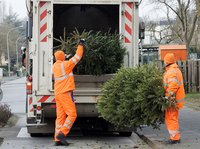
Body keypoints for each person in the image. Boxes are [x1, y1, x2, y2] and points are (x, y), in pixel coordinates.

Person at [53, 40, 84, 146]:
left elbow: (63, 60)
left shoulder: (55, 66)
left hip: (58, 94)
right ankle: (62, 133)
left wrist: (64, 57)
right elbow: (77, 57)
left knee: (60, 117)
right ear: (63, 57)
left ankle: (57, 140)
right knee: (72, 114)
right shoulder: (66, 65)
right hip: (65, 93)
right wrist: (80, 45)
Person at [163, 53, 185, 144]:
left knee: (171, 118)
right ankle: (175, 137)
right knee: (172, 118)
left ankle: (175, 138)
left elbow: (172, 86)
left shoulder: (171, 71)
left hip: (172, 100)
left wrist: (167, 97)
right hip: (175, 99)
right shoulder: (175, 70)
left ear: (167, 61)